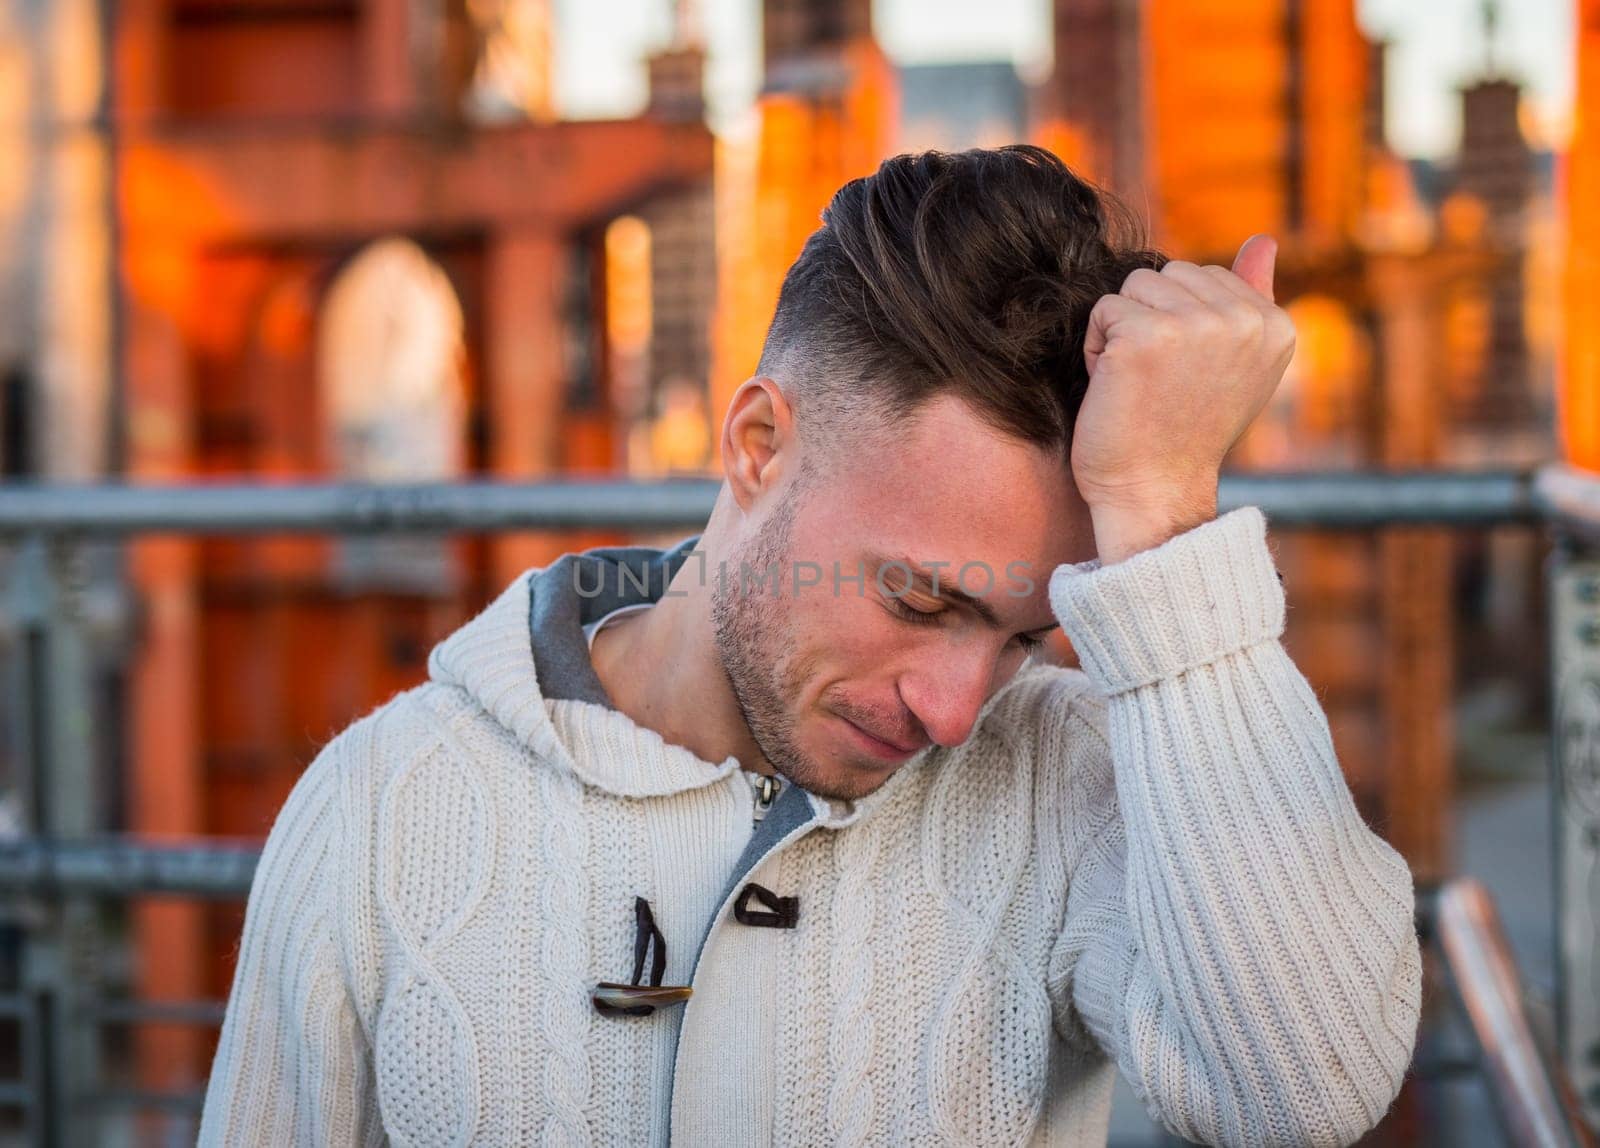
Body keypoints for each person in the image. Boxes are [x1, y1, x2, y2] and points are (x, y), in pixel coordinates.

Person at [198, 145, 1422, 1147]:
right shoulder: (377, 813)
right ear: (755, 444)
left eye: (1019, 635)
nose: (953, 708)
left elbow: (1302, 1087)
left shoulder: (1067, 772)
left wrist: (1163, 517)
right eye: (920, 598)